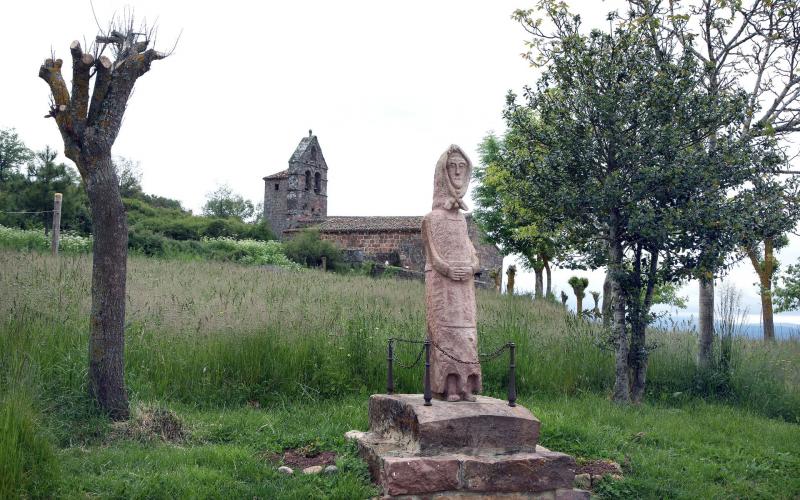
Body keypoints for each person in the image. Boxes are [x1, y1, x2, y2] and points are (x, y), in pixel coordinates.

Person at [421, 145, 482, 402]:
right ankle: (449, 387)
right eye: (452, 167)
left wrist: (470, 268)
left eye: (462, 167)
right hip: (442, 287)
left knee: (466, 335)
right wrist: (446, 269)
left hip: (464, 289)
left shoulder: (463, 220)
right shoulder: (431, 219)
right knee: (446, 336)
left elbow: (473, 253)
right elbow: (432, 253)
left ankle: (467, 385)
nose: (457, 171)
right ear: (442, 173)